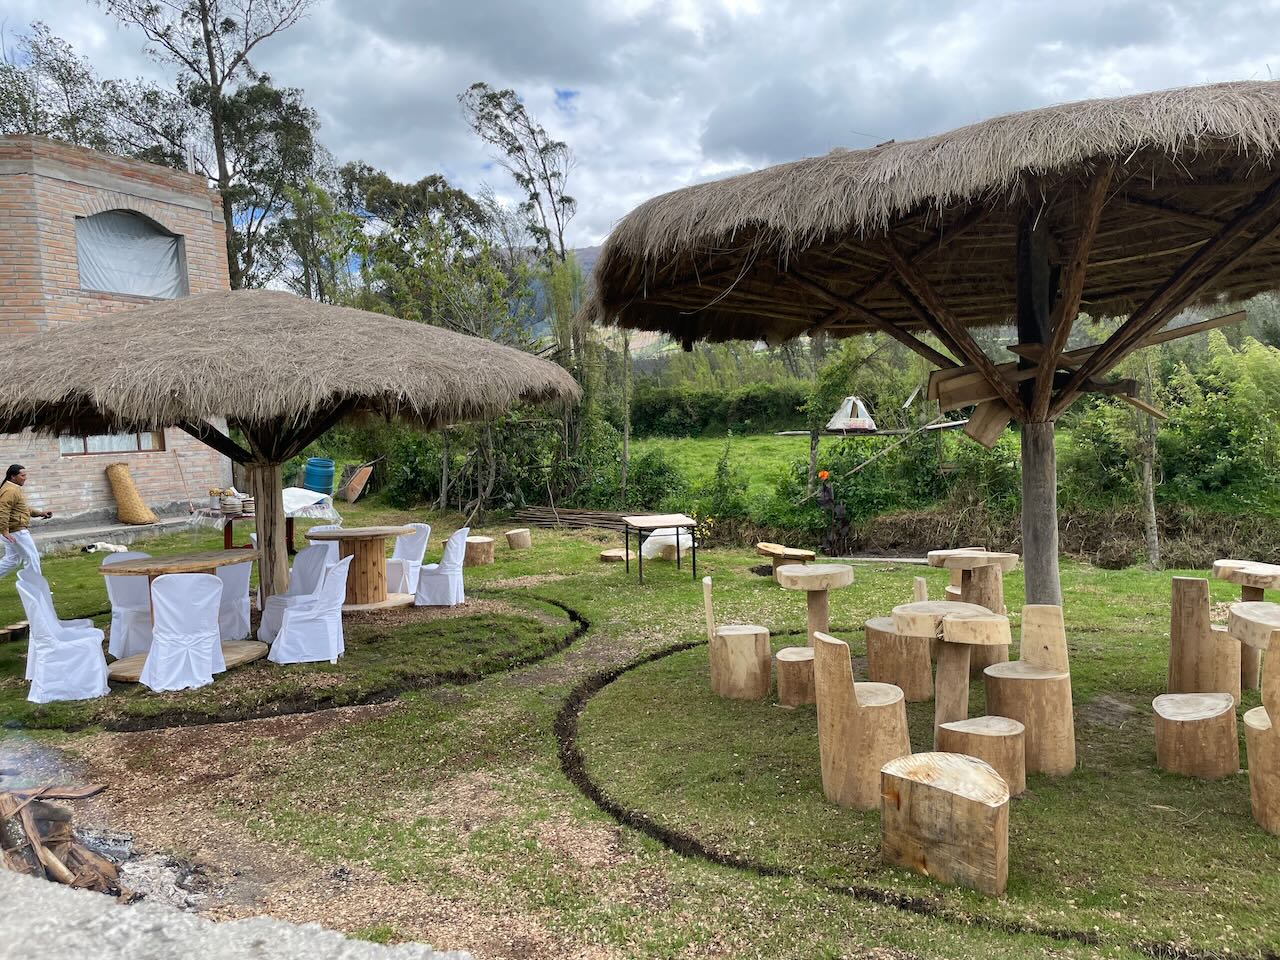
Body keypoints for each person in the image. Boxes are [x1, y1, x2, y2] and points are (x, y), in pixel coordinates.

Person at [0, 464, 52, 579]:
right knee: (32, 558)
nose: (25, 478)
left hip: (12, 531)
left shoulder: (12, 488)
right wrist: (4, 531)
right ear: (13, 476)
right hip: (16, 532)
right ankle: (35, 586)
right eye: (22, 475)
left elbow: (22, 508)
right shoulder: (10, 490)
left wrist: (40, 513)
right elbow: (3, 511)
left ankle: (33, 585)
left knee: (12, 560)